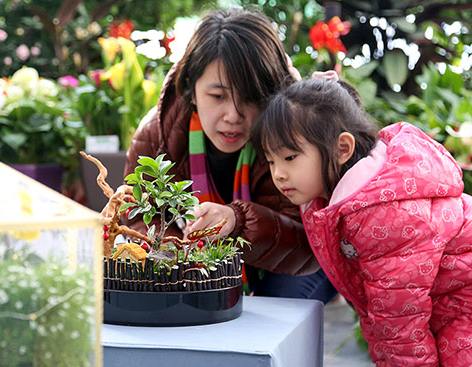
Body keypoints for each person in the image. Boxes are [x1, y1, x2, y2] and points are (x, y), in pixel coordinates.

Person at [251, 78, 472, 366]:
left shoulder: (385, 214)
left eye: (290, 157)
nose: (278, 173)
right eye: (270, 161)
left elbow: (398, 325)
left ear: (342, 148)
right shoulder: (337, 199)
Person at [123, 8, 338, 302]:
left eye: (249, 97)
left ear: (272, 91)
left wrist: (238, 223)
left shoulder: (298, 132)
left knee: (273, 316)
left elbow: (307, 243)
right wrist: (173, 256)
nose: (233, 116)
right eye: (218, 96)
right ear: (190, 87)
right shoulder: (157, 134)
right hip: (200, 266)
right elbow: (139, 216)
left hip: (299, 267)